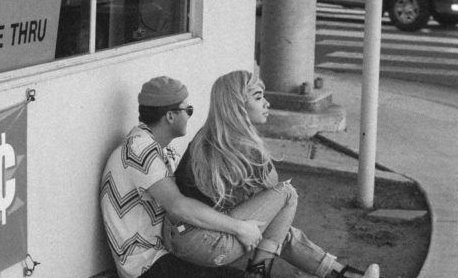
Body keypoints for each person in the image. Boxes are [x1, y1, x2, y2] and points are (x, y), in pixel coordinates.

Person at [163, 69, 381, 278]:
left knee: (275, 229)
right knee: (287, 194)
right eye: (258, 98)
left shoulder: (205, 138)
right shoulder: (245, 147)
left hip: (176, 236)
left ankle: (341, 274)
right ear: (238, 106)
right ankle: (259, 270)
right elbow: (275, 190)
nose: (267, 103)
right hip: (207, 244)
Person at [100, 76, 264, 278]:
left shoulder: (160, 151)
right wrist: (241, 228)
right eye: (188, 110)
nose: (189, 116)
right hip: (149, 267)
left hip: (168, 255)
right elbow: (179, 206)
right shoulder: (139, 149)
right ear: (170, 116)